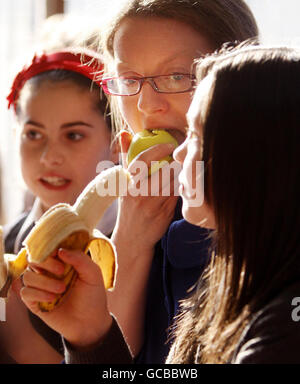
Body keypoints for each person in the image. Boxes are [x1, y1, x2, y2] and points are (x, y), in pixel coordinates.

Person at [20, 44, 300, 364]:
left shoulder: (283, 331)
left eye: (196, 135)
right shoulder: (225, 290)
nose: (179, 153)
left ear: (255, 156)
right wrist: (90, 334)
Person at [99, 0, 258, 363]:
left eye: (177, 77)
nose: (146, 105)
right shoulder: (124, 222)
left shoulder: (271, 224)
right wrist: (130, 241)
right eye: (129, 80)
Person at [0, 48, 117, 363]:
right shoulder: (8, 244)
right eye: (33, 134)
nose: (49, 156)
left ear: (116, 144)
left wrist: (18, 335)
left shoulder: (141, 248)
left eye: (74, 135)